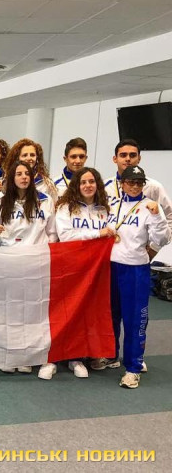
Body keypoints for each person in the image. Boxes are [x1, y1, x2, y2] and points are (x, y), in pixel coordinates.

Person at [0, 160, 58, 374]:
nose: (24, 177)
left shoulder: (45, 201)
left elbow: (52, 233)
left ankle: (28, 356)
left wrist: (45, 253)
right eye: (19, 174)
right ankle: (10, 356)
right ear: (12, 178)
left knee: (32, 312)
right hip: (8, 263)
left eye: (27, 174)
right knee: (10, 311)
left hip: (36, 264)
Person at [41, 168, 114, 380]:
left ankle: (76, 358)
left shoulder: (106, 209)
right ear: (77, 185)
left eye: (92, 181)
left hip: (95, 270)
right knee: (60, 312)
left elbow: (112, 232)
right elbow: (66, 236)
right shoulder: (65, 208)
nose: (88, 185)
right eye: (83, 182)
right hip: (68, 267)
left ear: (97, 184)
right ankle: (51, 359)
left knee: (83, 314)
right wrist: (97, 233)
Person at [104, 166, 170, 388]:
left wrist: (157, 216)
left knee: (135, 319)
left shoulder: (150, 207)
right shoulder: (112, 204)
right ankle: (111, 355)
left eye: (139, 182)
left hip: (135, 269)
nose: (134, 186)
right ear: (122, 183)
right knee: (111, 314)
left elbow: (162, 239)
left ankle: (133, 367)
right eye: (130, 182)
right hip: (111, 267)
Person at [104, 139, 172, 258]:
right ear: (115, 159)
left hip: (137, 255)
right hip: (108, 252)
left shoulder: (153, 187)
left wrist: (154, 248)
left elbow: (169, 216)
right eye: (123, 155)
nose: (128, 159)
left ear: (139, 158)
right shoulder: (103, 187)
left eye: (132, 155)